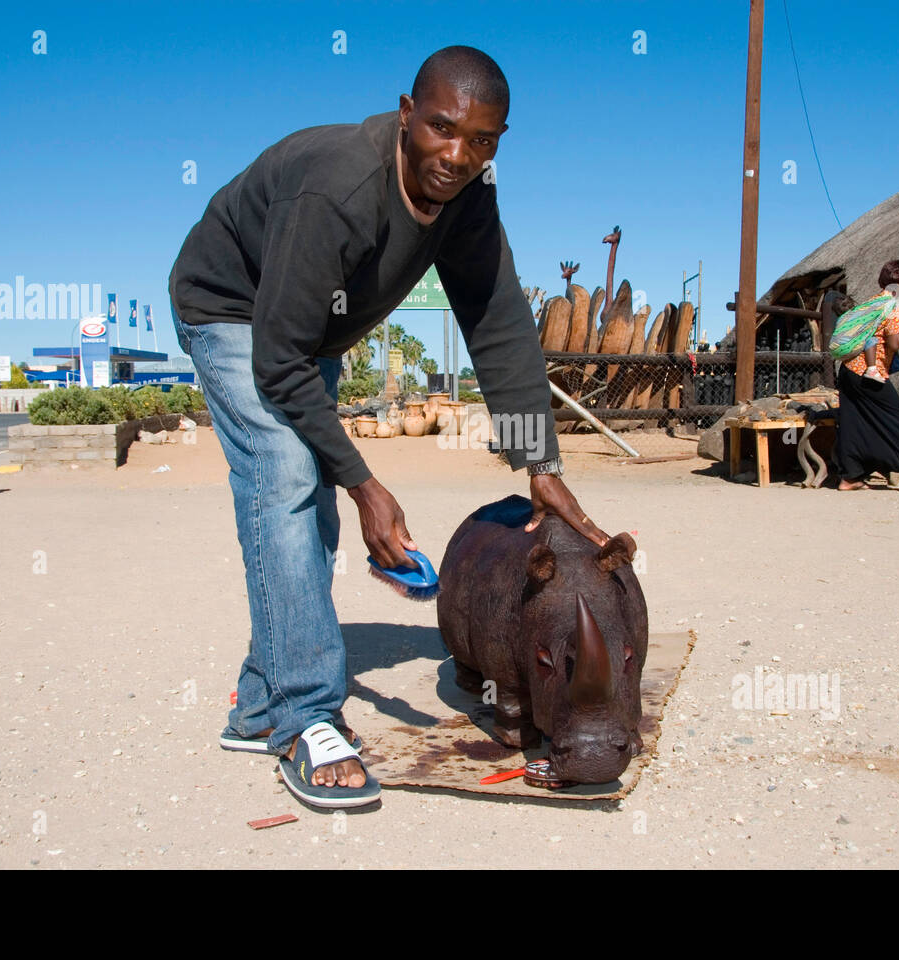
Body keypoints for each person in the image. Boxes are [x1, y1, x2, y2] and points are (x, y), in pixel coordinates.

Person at [168, 46, 608, 808]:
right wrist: (369, 484)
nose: (457, 155)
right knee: (287, 481)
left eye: (483, 141)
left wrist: (541, 463)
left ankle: (256, 706)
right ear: (407, 113)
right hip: (235, 311)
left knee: (313, 507)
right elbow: (277, 360)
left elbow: (497, 317)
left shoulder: (471, 193)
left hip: (309, 334)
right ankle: (305, 717)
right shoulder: (334, 189)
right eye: (441, 129)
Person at [833, 260, 899, 491]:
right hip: (868, 372)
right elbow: (894, 342)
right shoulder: (893, 306)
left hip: (848, 371)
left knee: (854, 422)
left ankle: (849, 478)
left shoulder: (871, 302)